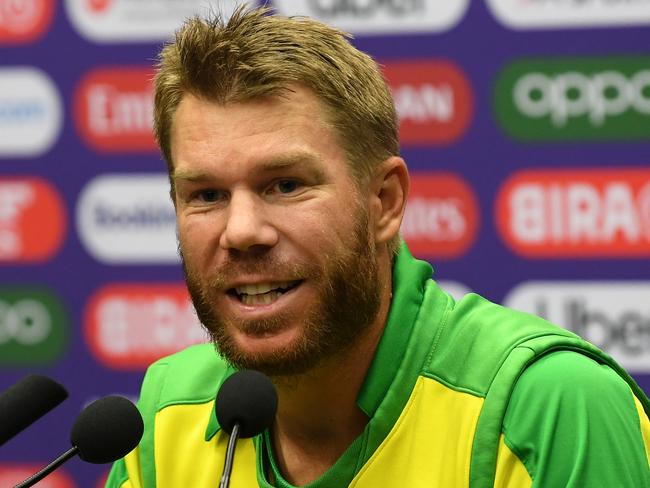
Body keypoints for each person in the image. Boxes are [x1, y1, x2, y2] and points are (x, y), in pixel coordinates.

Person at [105, 6, 650, 488]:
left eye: (287, 184)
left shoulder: (547, 406)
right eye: (206, 195)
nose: (242, 230)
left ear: (384, 201)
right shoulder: (166, 412)